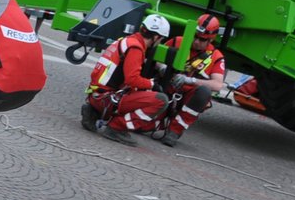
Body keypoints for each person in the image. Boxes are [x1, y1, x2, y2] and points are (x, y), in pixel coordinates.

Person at [82, 14, 172, 144]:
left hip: (95, 95)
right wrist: (151, 84)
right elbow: (132, 80)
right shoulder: (135, 48)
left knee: (139, 91)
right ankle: (117, 127)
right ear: (156, 37)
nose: (160, 42)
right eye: (161, 39)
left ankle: (93, 112)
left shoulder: (125, 41)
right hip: (106, 99)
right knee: (160, 100)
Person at [157, 14, 227, 147]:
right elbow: (155, 59)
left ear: (211, 40)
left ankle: (174, 131)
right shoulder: (177, 41)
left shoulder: (216, 57)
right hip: (164, 88)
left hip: (187, 97)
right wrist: (162, 67)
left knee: (204, 93)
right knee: (145, 125)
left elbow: (218, 85)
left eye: (201, 39)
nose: (196, 41)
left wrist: (190, 80)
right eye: (195, 36)